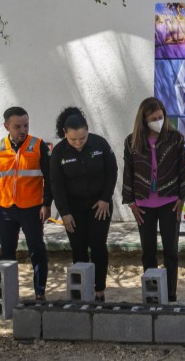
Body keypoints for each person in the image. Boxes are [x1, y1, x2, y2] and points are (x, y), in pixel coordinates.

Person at [122, 97, 185, 303]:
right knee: (148, 251)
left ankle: (170, 294)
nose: (158, 121)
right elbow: (129, 172)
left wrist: (182, 197)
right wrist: (131, 202)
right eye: (153, 118)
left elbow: (182, 168)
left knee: (171, 250)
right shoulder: (131, 141)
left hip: (170, 202)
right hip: (143, 205)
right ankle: (152, 293)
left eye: (161, 117)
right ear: (143, 120)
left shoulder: (175, 138)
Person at [50, 107, 118, 302]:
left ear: (88, 131)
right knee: (78, 247)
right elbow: (56, 184)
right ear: (65, 134)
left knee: (98, 245)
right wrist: (64, 213)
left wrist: (105, 198)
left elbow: (112, 172)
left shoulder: (100, 144)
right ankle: (82, 288)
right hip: (73, 209)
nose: (78, 143)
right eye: (73, 139)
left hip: (99, 206)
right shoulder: (59, 153)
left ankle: (99, 290)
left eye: (82, 138)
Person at [0, 106, 52, 301]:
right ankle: (5, 295)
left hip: (32, 208)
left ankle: (40, 292)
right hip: (5, 209)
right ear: (6, 126)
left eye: (26, 125)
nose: (23, 130)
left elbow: (50, 178)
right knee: (7, 253)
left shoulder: (38, 146)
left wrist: (46, 204)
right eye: (17, 126)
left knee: (37, 250)